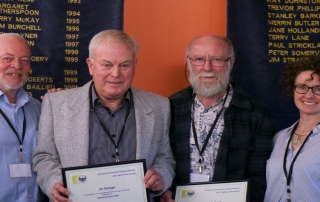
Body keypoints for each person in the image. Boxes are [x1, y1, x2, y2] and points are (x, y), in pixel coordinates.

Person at [32, 30, 175, 202]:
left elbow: (165, 157)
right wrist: (54, 183)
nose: (115, 74)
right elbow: (44, 157)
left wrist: (162, 176)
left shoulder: (159, 106)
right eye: (107, 65)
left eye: (124, 65)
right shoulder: (56, 104)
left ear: (135, 65)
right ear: (91, 66)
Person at [160, 35, 275, 202]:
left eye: (216, 59)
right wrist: (164, 190)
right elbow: (162, 161)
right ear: (189, 62)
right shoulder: (170, 108)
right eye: (199, 59)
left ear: (231, 62)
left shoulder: (256, 114)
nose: (207, 67)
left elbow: (260, 179)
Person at [264, 55, 320, 202]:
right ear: (293, 90)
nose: (309, 95)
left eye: (318, 88)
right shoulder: (279, 138)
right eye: (302, 87)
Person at [0, 33, 47, 201]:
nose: (17, 66)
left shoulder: (40, 109)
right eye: (7, 58)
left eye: (24, 60)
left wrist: (61, 108)